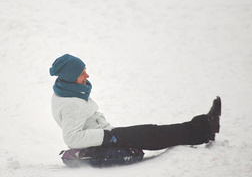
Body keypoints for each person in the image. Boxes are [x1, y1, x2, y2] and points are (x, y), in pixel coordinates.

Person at [49, 54, 221, 150]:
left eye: (85, 71)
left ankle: (202, 127)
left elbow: (86, 117)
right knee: (153, 134)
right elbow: (71, 138)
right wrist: (108, 136)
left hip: (105, 136)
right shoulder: (71, 103)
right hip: (104, 141)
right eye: (82, 74)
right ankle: (205, 129)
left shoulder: (66, 90)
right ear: (71, 77)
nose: (87, 76)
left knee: (152, 133)